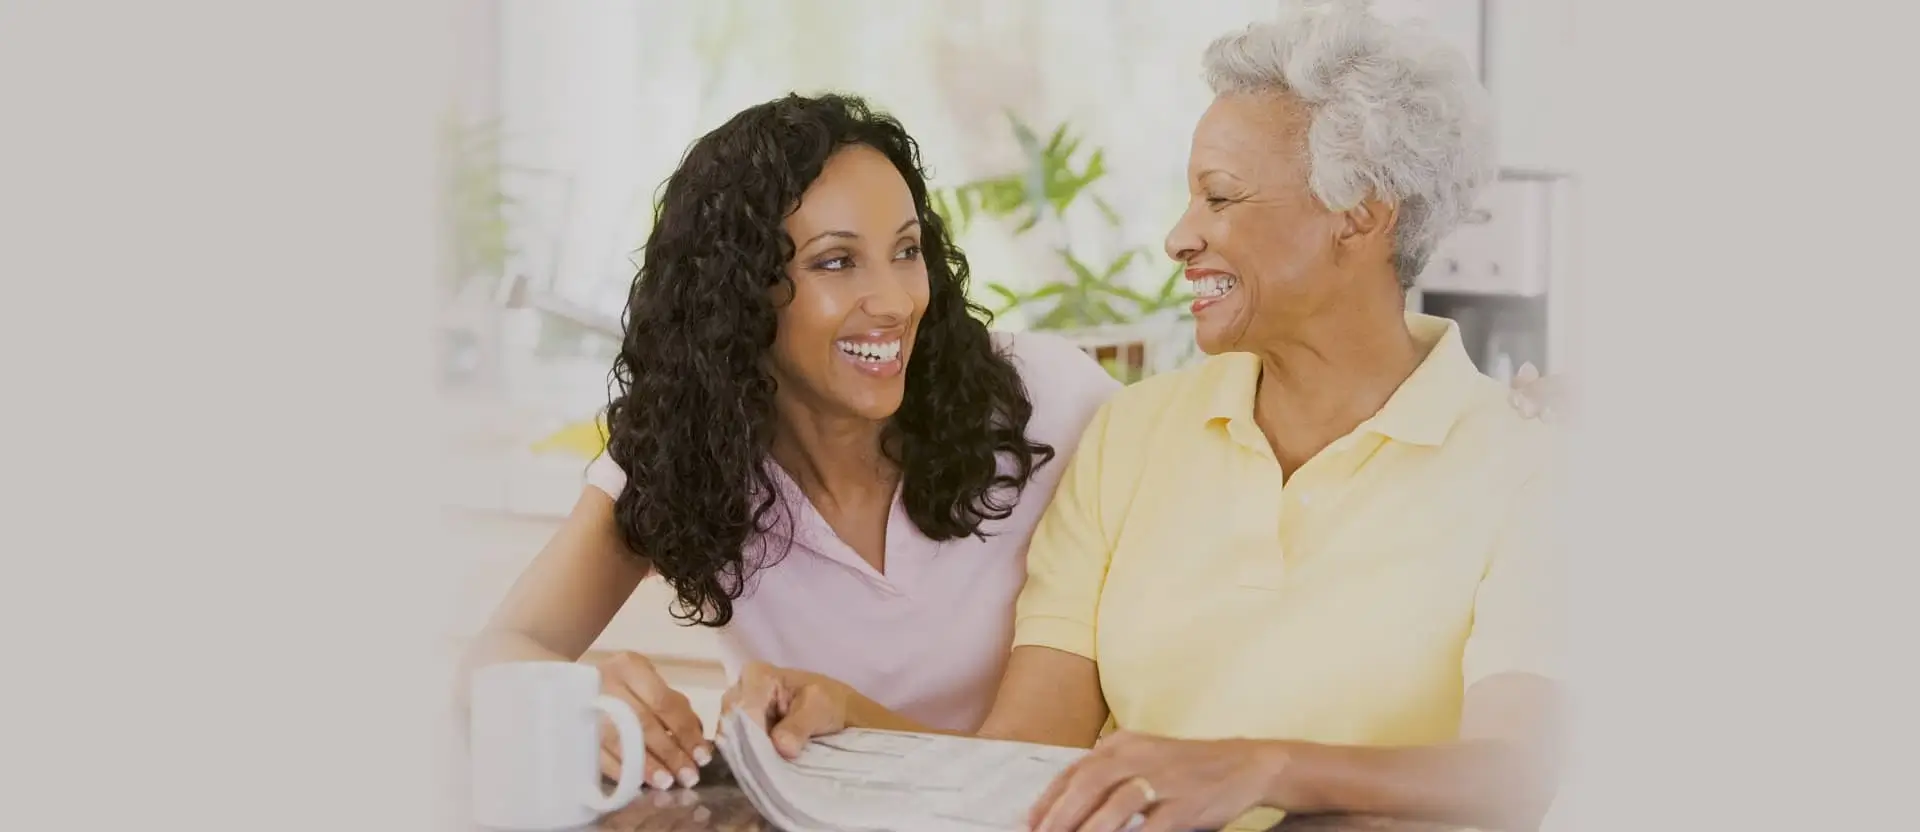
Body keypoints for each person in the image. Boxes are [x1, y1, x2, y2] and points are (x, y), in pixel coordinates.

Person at [728, 6, 1565, 832]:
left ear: (1363, 213)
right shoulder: (1134, 436)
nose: (1179, 236)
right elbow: (1026, 763)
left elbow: (1520, 770)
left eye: (1221, 198)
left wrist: (1264, 769)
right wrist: (852, 719)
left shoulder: (1530, 465)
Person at [460, 92, 1125, 792]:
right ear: (739, 294)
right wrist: (574, 692)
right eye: (837, 263)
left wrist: (851, 718)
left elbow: (1035, 765)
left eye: (906, 250)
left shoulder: (1049, 403)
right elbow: (493, 657)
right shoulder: (688, 454)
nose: (896, 301)